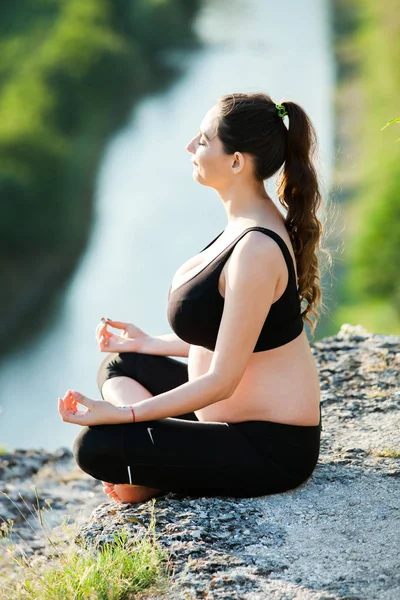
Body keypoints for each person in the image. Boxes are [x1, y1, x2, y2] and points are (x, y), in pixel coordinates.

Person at [58, 92, 328, 504]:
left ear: (236, 161)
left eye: (203, 140)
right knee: (121, 363)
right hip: (221, 421)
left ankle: (150, 467)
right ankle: (156, 458)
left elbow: (222, 380)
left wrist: (122, 415)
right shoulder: (246, 222)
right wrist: (148, 343)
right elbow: (238, 335)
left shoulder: (255, 249)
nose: (190, 147)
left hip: (267, 447)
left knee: (94, 448)